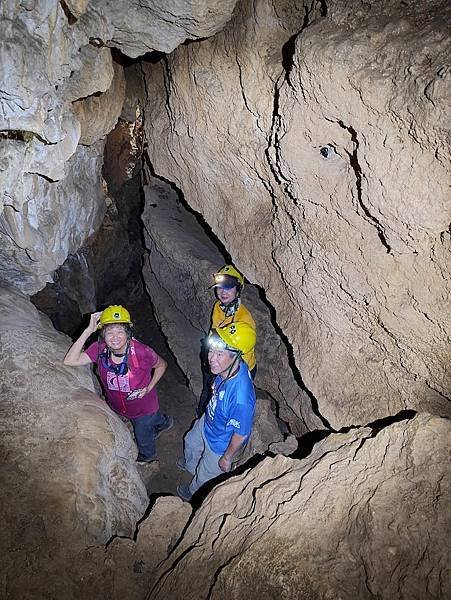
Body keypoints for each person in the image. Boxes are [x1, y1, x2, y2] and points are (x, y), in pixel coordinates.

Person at [63, 305, 173, 463]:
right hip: (118, 405)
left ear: (128, 333)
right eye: (109, 332)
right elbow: (70, 360)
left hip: (143, 408)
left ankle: (148, 456)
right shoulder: (99, 350)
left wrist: (149, 387)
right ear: (103, 334)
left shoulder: (142, 352)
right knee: (150, 422)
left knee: (143, 437)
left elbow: (162, 365)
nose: (115, 337)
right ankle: (163, 422)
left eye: (120, 331)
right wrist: (88, 330)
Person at [177, 321, 257, 502]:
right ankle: (191, 466)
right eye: (212, 350)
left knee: (206, 474)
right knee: (190, 442)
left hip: (220, 442)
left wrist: (227, 457)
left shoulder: (241, 398)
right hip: (209, 420)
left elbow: (241, 433)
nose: (212, 358)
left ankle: (194, 494)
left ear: (236, 356)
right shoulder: (227, 369)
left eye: (220, 354)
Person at [197, 264, 257, 416]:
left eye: (228, 288)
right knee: (208, 389)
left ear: (238, 290)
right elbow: (214, 330)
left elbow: (240, 354)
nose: (222, 292)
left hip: (237, 366)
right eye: (220, 288)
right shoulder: (218, 306)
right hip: (218, 357)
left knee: (226, 400)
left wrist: (219, 366)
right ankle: (203, 416)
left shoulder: (244, 319)